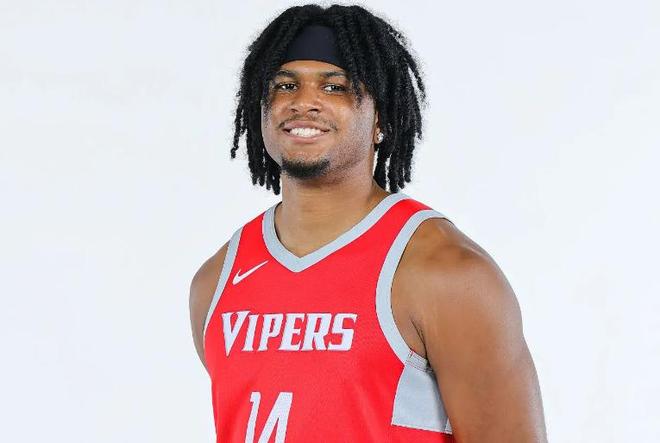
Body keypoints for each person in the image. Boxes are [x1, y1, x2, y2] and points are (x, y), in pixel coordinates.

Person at [189, 4, 547, 442]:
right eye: (285, 85)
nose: (303, 102)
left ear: (381, 120)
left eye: (335, 87)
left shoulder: (448, 274)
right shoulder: (216, 282)